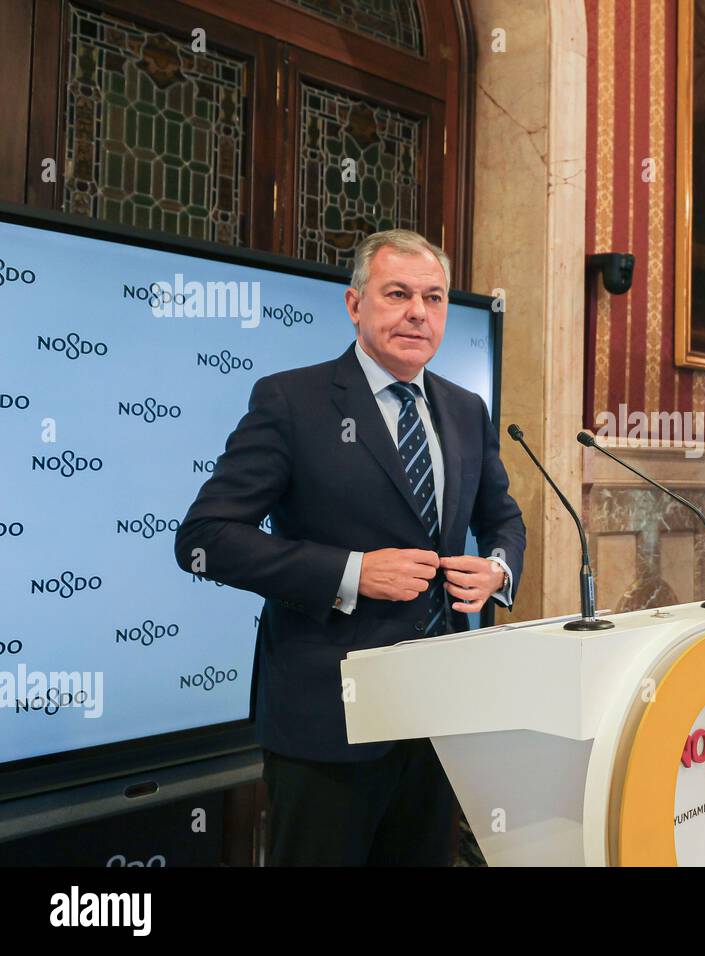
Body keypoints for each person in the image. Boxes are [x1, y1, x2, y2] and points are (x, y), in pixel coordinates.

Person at [174, 229, 526, 866]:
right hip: (326, 720)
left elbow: (503, 518)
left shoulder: (467, 409)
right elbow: (205, 539)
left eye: (435, 298)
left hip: (436, 719)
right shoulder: (291, 400)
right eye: (398, 294)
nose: (419, 312)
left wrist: (497, 569)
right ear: (355, 304)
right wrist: (352, 572)